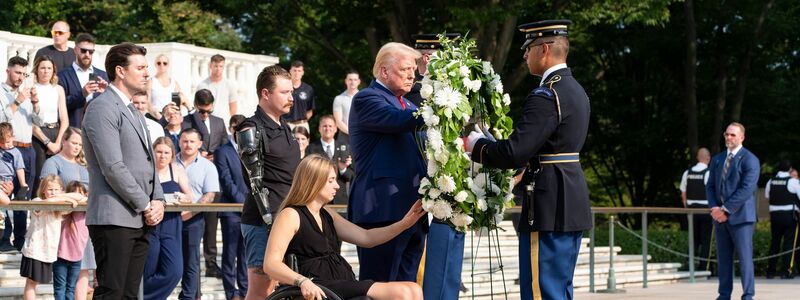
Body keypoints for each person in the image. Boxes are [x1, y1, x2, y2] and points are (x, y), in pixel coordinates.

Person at [465, 20, 592, 300]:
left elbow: (516, 152)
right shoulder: (576, 90)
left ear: (544, 49)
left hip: (549, 203)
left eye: (528, 49)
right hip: (568, 198)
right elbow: (543, 146)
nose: (524, 55)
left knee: (541, 291)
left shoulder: (547, 94)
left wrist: (478, 146)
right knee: (558, 290)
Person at [264, 154, 424, 300]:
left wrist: (404, 224)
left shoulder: (326, 213)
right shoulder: (290, 215)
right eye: (331, 180)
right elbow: (271, 263)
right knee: (405, 292)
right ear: (314, 181)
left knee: (414, 290)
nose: (337, 186)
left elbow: (366, 238)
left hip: (340, 282)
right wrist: (302, 281)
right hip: (318, 285)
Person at [82, 42, 165, 299]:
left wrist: (159, 199)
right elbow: (112, 166)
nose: (147, 73)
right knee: (112, 293)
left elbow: (150, 164)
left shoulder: (135, 112)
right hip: (113, 218)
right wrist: (146, 204)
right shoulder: (102, 107)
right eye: (140, 68)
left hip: (139, 218)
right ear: (120, 71)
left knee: (129, 294)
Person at [348, 42, 426, 282]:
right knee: (380, 287)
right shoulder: (366, 99)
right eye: (405, 69)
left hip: (414, 210)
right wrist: (442, 108)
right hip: (382, 211)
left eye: (414, 69)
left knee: (406, 288)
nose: (412, 74)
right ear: (384, 71)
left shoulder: (410, 106)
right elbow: (396, 119)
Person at [237, 65, 300, 300]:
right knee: (261, 292)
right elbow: (255, 183)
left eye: (291, 92)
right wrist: (271, 222)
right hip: (264, 221)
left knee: (285, 291)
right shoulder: (250, 128)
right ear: (265, 93)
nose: (291, 98)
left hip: (288, 218)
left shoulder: (285, 127)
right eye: (284, 92)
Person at [38, 127, 93, 300]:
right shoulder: (53, 162)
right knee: (64, 282)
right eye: (74, 143)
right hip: (64, 227)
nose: (77, 147)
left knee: (84, 270)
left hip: (85, 224)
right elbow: (46, 191)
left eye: (80, 144)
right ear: (64, 141)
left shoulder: (84, 166)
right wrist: (72, 197)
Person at [706, 122, 759, 300]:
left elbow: (746, 189)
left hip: (741, 218)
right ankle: (724, 295)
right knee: (724, 260)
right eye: (727, 134)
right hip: (720, 219)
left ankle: (748, 295)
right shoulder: (718, 159)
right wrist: (714, 208)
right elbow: (710, 185)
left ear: (742, 137)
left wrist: (725, 210)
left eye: (733, 135)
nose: (729, 137)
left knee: (745, 260)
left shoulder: (750, 159)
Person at [1, 56, 44, 253]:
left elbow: (40, 122)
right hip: (7, 148)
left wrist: (35, 103)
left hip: (27, 149)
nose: (20, 77)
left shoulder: (26, 94)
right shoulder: (1, 93)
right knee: (5, 193)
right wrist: (18, 101)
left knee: (23, 195)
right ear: (8, 71)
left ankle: (19, 239)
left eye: (24, 74)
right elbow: (2, 120)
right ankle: (3, 238)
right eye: (17, 72)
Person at [143, 136, 193, 300]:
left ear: (172, 154)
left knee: (174, 271)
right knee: (147, 269)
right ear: (153, 152)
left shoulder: (177, 170)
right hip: (149, 225)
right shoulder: (146, 170)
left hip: (171, 225)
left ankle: (141, 296)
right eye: (158, 152)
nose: (162, 156)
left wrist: (181, 197)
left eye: (166, 152)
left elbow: (189, 196)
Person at [20, 174, 83, 300]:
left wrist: (61, 196)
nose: (53, 192)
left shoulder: (59, 205)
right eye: (50, 189)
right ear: (43, 189)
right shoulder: (37, 201)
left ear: (61, 189)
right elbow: (47, 202)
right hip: (35, 250)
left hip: (48, 251)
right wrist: (66, 199)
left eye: (56, 189)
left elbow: (80, 197)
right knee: (32, 283)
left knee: (35, 282)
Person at [176, 128, 220, 299]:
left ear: (199, 144)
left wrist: (190, 211)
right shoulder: (169, 162)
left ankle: (189, 296)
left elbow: (209, 195)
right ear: (179, 141)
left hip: (193, 219)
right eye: (185, 141)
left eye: (192, 141)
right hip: (168, 219)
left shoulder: (207, 166)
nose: (188, 145)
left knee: (191, 261)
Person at [214, 115, 249, 299]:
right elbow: (226, 181)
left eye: (241, 128)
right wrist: (243, 203)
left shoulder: (251, 150)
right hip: (231, 211)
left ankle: (245, 290)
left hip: (249, 212)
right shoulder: (222, 151)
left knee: (245, 255)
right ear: (230, 128)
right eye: (235, 127)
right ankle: (231, 292)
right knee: (229, 253)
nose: (237, 131)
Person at [31, 55, 69, 195]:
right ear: (36, 70)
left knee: (57, 176)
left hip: (57, 133)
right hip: (38, 135)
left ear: (53, 70)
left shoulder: (58, 89)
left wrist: (58, 142)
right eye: (42, 68)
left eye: (49, 68)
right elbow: (31, 122)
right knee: (40, 176)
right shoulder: (31, 88)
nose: (46, 71)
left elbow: (64, 118)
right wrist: (48, 143)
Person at [57, 33, 109, 128]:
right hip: (73, 132)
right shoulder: (62, 75)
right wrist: (82, 93)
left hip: (98, 129)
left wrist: (107, 93)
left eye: (91, 52)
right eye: (83, 51)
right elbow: (59, 106)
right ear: (75, 50)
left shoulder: (103, 75)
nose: (87, 55)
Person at [52, 181, 89, 300]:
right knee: (59, 288)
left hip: (77, 256)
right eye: (72, 193)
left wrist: (73, 198)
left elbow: (82, 198)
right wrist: (65, 198)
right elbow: (52, 200)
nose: (76, 196)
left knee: (71, 288)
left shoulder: (86, 211)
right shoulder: (64, 210)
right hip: (60, 255)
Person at [679, 147, 713, 272]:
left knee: (693, 239)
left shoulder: (687, 172)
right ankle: (704, 268)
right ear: (708, 158)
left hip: (691, 210)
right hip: (705, 210)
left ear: (698, 158)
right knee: (706, 240)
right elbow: (711, 192)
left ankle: (689, 266)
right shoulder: (708, 173)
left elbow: (683, 193)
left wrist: (687, 207)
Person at [306, 115, 353, 205]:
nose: (327, 128)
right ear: (319, 129)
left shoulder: (345, 148)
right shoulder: (311, 149)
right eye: (324, 126)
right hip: (318, 199)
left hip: (340, 200)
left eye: (330, 126)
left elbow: (351, 176)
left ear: (335, 129)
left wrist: (343, 169)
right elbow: (309, 174)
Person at [404, 33, 461, 107]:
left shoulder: (448, 89)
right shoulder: (417, 95)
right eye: (445, 58)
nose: (450, 63)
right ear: (427, 59)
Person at [764, 159, 799, 279]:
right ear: (790, 169)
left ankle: (770, 271)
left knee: (775, 243)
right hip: (789, 216)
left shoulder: (770, 181)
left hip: (774, 216)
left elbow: (767, 196)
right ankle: (786, 271)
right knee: (789, 244)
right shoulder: (793, 182)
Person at [182, 89, 227, 159]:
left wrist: (216, 155)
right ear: (195, 105)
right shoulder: (184, 122)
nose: (205, 115)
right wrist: (197, 154)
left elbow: (225, 146)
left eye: (209, 111)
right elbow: (181, 146)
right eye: (202, 111)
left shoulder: (219, 122)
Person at [196, 54, 238, 127]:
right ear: (210, 66)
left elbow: (233, 107)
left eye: (221, 66)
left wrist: (231, 124)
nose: (218, 69)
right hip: (206, 124)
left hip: (225, 124)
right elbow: (197, 106)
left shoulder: (230, 85)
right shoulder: (202, 85)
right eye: (216, 66)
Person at [285, 61, 315, 131]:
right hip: (286, 125)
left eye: (299, 71)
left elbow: (310, 111)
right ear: (290, 71)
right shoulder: (284, 87)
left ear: (303, 72)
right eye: (294, 70)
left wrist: (301, 122)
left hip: (302, 125)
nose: (296, 73)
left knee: (303, 142)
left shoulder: (308, 89)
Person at [332, 71, 360, 143]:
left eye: (355, 80)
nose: (352, 82)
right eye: (350, 79)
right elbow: (338, 121)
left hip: (362, 135)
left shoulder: (365, 98)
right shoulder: (339, 98)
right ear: (346, 81)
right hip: (344, 136)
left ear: (359, 81)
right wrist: (352, 132)